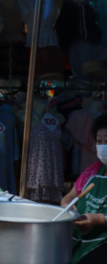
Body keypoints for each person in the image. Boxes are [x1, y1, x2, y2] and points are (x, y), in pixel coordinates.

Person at [61, 112, 107, 264]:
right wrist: (67, 205)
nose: (102, 147)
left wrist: (100, 219)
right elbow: (70, 196)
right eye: (99, 141)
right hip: (77, 239)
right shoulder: (93, 170)